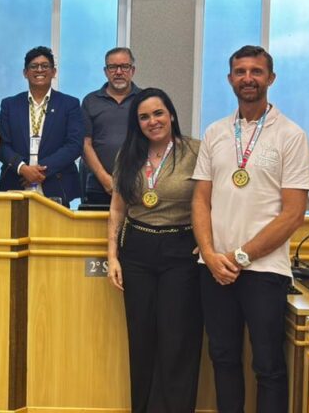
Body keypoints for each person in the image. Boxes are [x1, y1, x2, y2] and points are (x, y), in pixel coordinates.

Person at [192, 45, 309, 413]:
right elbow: (200, 200)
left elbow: (293, 214)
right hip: (214, 268)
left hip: (263, 270)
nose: (248, 78)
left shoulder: (291, 135)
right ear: (230, 79)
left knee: (268, 365)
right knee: (223, 357)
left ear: (270, 78)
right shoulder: (215, 132)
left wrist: (241, 256)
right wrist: (210, 254)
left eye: (256, 71)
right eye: (240, 71)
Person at [106, 88, 202, 413]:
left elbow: (211, 201)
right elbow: (117, 208)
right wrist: (112, 256)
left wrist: (207, 242)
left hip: (181, 250)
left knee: (178, 339)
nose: (153, 121)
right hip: (137, 251)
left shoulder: (194, 151)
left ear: (171, 114)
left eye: (158, 113)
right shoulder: (129, 153)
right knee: (142, 338)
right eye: (144, 117)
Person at [0, 46, 84, 202]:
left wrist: (40, 171)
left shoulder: (69, 104)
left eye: (45, 66)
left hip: (56, 182)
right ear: (25, 73)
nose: (39, 70)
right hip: (16, 181)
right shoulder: (10, 105)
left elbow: (74, 145)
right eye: (34, 66)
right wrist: (23, 168)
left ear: (54, 72)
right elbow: (1, 145)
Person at [82, 47, 141, 207]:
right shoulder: (90, 101)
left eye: (124, 67)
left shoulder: (144, 100)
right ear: (105, 71)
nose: (119, 72)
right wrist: (105, 179)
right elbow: (85, 144)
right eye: (113, 67)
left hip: (138, 186)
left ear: (133, 70)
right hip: (99, 187)